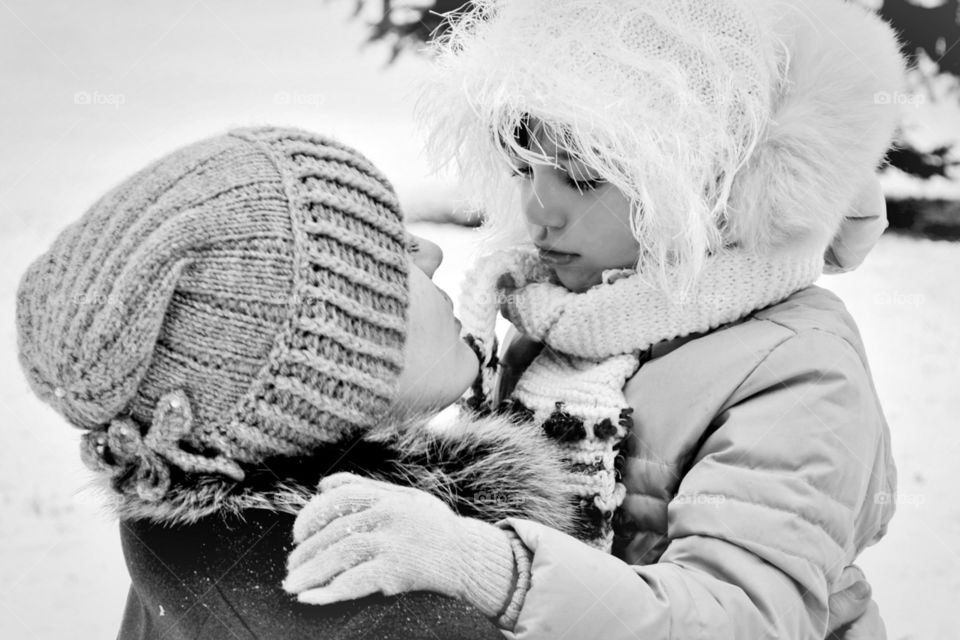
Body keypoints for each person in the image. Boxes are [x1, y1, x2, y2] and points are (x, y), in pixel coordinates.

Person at [283, 1, 905, 638]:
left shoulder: (799, 364)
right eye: (523, 168)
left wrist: (487, 567)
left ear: (703, 183)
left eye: (582, 178)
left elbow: (744, 616)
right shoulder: (555, 320)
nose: (538, 211)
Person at [15, 126, 581, 639]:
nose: (430, 251)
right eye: (389, 250)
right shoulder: (396, 624)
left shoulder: (184, 551)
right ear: (329, 349)